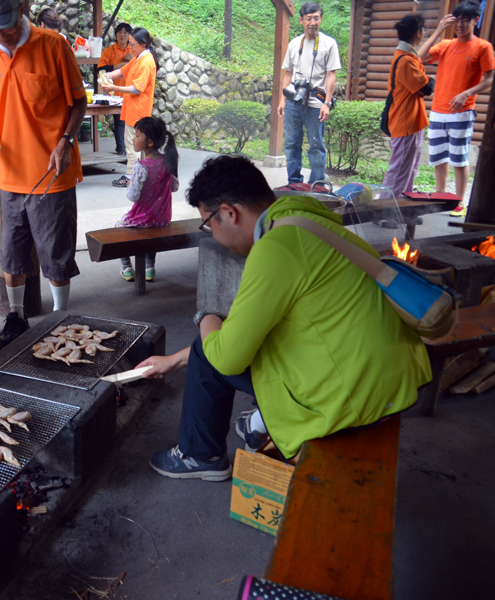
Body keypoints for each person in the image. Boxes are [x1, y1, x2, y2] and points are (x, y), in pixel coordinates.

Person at [136, 155, 431, 480]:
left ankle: (200, 454)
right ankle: (253, 425)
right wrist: (174, 360)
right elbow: (244, 335)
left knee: (212, 345)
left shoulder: (276, 248)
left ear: (229, 214)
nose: (212, 233)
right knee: (216, 341)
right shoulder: (306, 220)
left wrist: (206, 315)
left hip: (354, 398)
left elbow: (225, 359)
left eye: (208, 224)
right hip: (388, 378)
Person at [0, 0, 88, 349]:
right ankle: (16, 315)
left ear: (21, 9)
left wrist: (66, 141)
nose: (0, 37)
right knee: (12, 249)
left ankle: (60, 316)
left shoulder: (54, 46)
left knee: (55, 248)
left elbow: (78, 101)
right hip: (11, 170)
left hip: (52, 169)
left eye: (4, 27)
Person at [419, 1, 495, 218]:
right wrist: (438, 31)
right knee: (438, 157)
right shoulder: (445, 45)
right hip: (438, 111)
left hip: (462, 112)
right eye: (457, 20)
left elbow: (489, 79)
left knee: (459, 159)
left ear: (475, 21)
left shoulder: (482, 46)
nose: (460, 24)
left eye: (465, 20)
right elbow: (420, 56)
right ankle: (442, 197)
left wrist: (466, 93)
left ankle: (459, 202)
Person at [277, 2, 340, 185]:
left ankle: (317, 185)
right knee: (291, 144)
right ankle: (294, 182)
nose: (313, 22)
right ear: (301, 20)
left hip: (316, 103)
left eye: (316, 18)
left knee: (316, 145)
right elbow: (288, 73)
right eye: (309, 18)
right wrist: (282, 100)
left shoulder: (329, 44)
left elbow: (331, 75)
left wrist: (327, 103)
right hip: (293, 101)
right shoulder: (294, 43)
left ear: (321, 19)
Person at [116, 117, 180, 283]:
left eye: (137, 136)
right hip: (163, 218)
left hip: (143, 219)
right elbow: (174, 187)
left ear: (149, 142)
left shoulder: (141, 166)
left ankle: (127, 267)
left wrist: (131, 183)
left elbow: (132, 196)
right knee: (152, 233)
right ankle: (149, 268)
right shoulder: (168, 161)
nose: (133, 138)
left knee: (118, 228)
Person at [381, 14, 435, 196]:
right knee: (398, 169)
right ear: (419, 33)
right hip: (404, 123)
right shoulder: (406, 60)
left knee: (410, 168)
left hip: (413, 122)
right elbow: (426, 88)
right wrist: (434, 79)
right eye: (424, 31)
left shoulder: (409, 55)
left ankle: (401, 209)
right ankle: (383, 212)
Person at [101, 27, 157, 187]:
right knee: (137, 147)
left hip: (137, 111)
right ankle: (137, 177)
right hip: (135, 110)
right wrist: (108, 76)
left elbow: (137, 88)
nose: (130, 47)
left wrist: (115, 88)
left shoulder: (145, 61)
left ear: (143, 44)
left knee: (133, 146)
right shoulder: (139, 57)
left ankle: (130, 177)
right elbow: (123, 71)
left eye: (132, 44)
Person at [97, 23, 135, 157]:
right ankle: (121, 149)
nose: (122, 35)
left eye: (125, 32)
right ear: (116, 34)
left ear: (129, 35)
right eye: (120, 32)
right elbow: (99, 70)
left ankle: (131, 149)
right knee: (119, 121)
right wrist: (116, 66)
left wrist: (134, 60)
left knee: (131, 123)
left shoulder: (135, 51)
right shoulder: (109, 51)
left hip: (132, 92)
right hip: (115, 94)